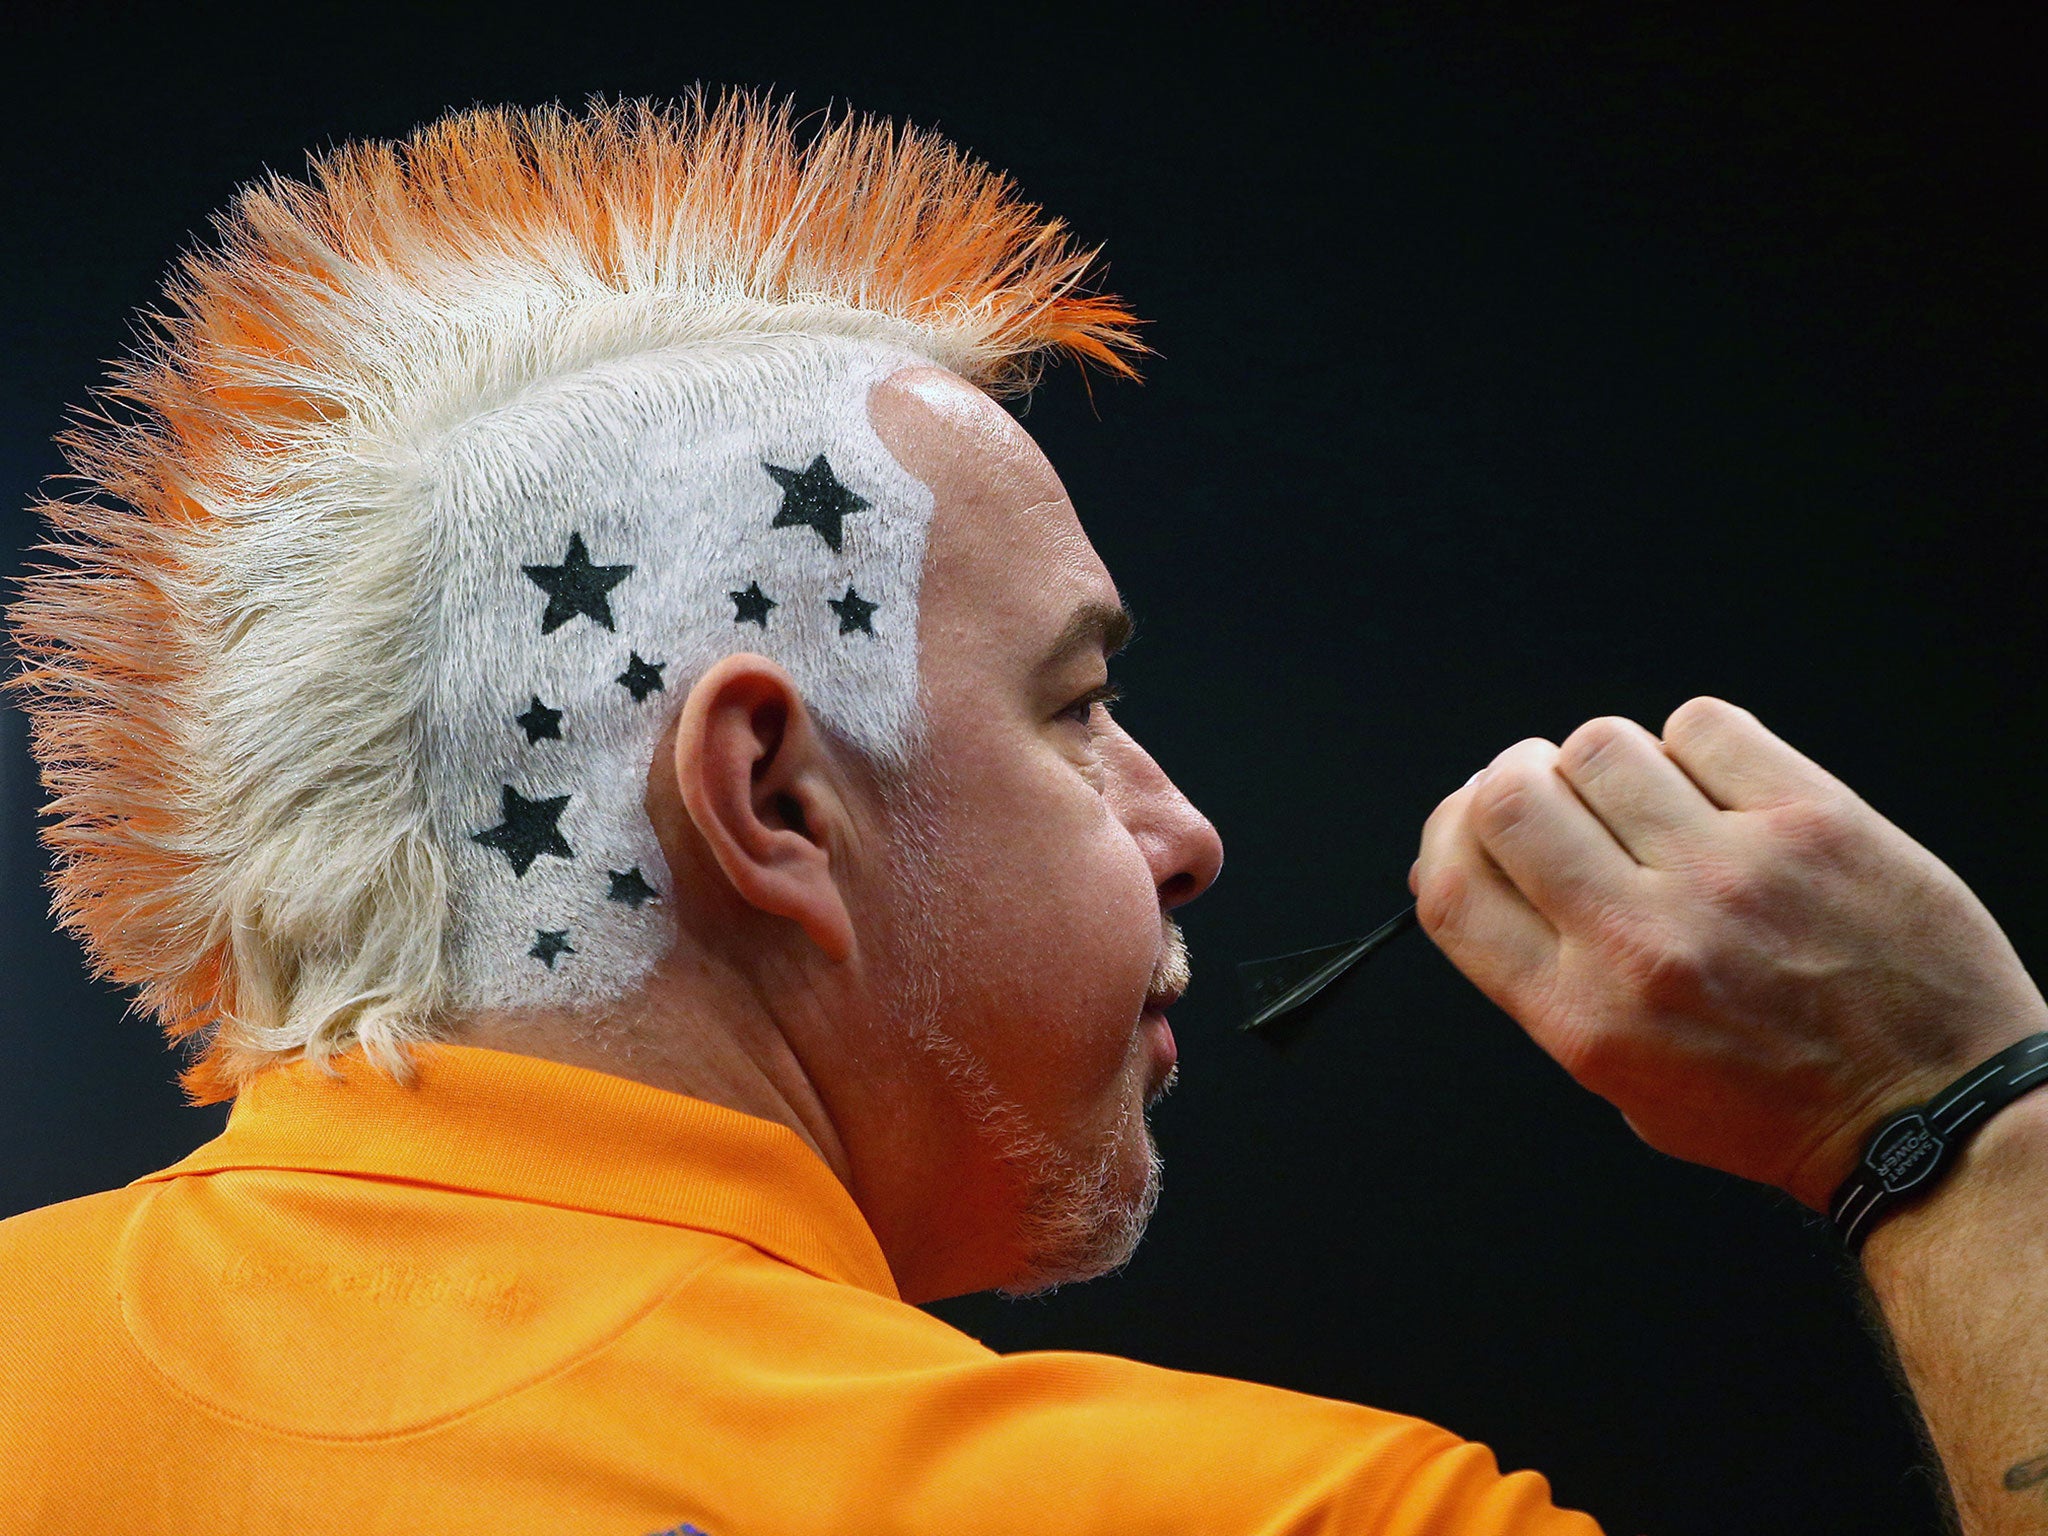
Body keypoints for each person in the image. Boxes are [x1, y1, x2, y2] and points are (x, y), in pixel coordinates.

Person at [0, 93, 2040, 1535]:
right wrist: (1945, 1120)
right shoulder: (1271, 1524)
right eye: (1076, 705)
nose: (1183, 831)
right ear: (768, 795)